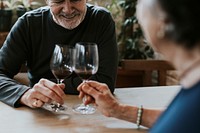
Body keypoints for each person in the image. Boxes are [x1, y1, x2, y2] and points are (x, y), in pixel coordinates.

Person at [77, 0, 200, 132]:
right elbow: (177, 120)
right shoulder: (192, 82)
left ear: (165, 23)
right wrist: (117, 109)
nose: (138, 9)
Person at [0, 0, 118, 108]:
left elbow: (105, 82)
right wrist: (24, 94)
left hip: (91, 110)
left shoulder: (101, 19)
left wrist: (48, 86)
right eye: (58, 1)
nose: (67, 9)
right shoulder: (28, 24)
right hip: (41, 109)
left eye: (75, 0)